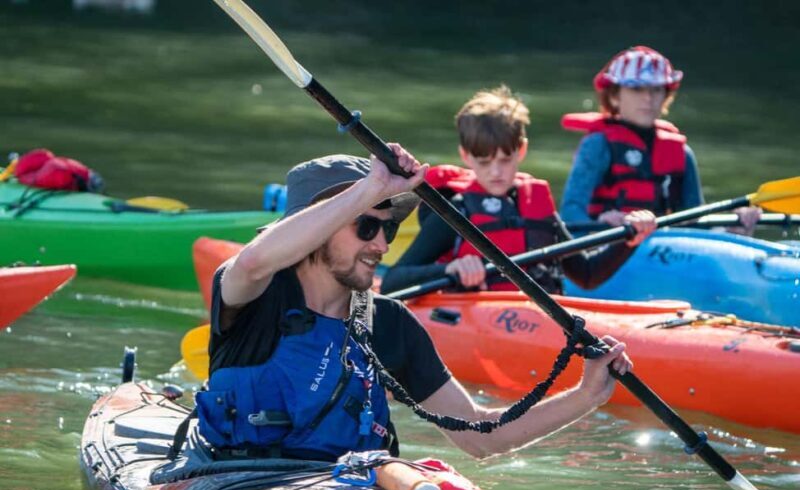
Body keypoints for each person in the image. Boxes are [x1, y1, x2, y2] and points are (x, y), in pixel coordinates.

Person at [197, 145, 632, 462]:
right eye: (367, 226)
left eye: (388, 229)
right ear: (318, 225)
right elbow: (253, 261)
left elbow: (481, 435)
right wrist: (369, 188)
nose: (383, 244)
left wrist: (586, 396)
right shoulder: (252, 293)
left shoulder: (389, 324)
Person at [380, 86, 656, 295]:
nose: (496, 172)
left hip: (540, 322)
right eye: (485, 163)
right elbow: (393, 282)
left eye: (505, 160)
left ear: (521, 150)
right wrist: (449, 269)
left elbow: (586, 274)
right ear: (466, 156)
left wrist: (629, 240)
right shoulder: (456, 212)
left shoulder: (537, 205)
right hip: (479, 326)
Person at [559, 45, 760, 234]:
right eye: (637, 89)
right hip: (608, 247)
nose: (648, 98)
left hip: (661, 249)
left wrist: (732, 227)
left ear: (665, 96)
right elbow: (571, 213)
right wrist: (600, 223)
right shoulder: (598, 145)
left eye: (656, 90)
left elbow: (696, 222)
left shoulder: (682, 153)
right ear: (614, 96)